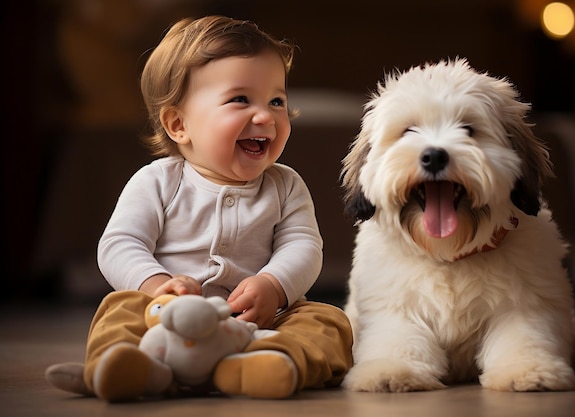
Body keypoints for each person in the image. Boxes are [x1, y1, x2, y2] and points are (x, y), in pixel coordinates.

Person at [45, 15, 353, 401]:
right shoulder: (157, 181)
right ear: (178, 125)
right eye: (240, 99)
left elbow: (304, 247)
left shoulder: (285, 185)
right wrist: (157, 287)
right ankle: (125, 366)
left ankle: (269, 361)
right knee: (119, 308)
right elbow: (120, 244)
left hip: (255, 323)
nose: (266, 116)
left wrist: (273, 285)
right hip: (167, 320)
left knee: (328, 320)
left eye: (277, 100)